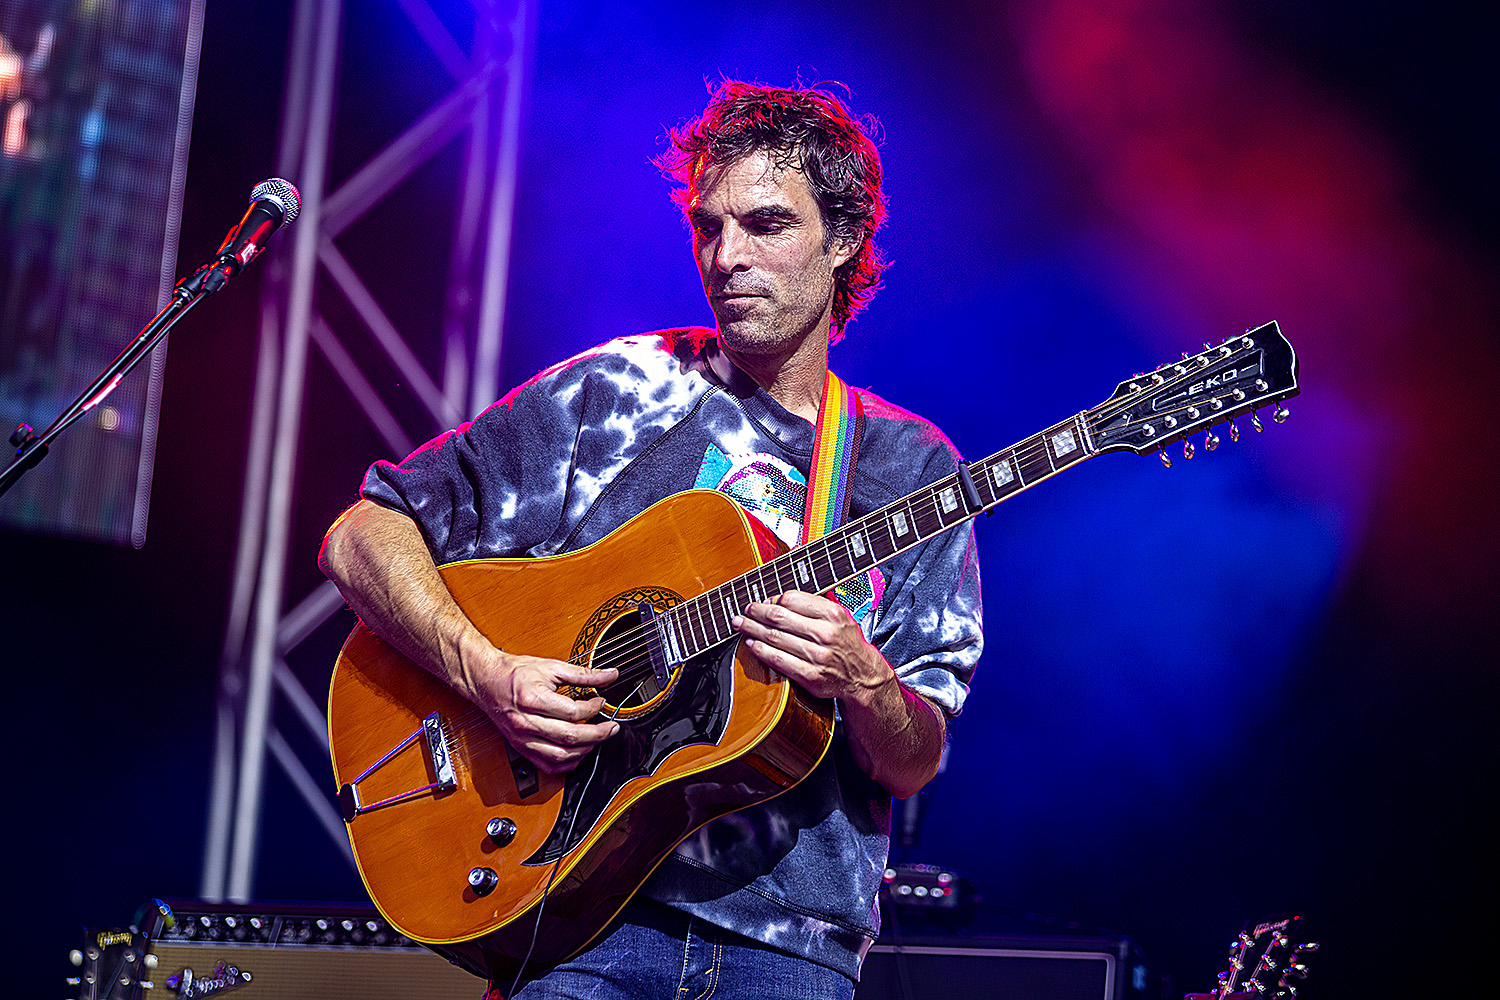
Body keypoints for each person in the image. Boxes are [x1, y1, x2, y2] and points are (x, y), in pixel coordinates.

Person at [319, 80, 983, 999]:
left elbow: (912, 763)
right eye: (709, 227)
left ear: (843, 241)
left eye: (765, 225)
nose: (727, 256)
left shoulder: (912, 469)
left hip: (790, 953)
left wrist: (866, 681)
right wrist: (486, 673)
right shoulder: (619, 389)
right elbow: (362, 534)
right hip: (579, 924)